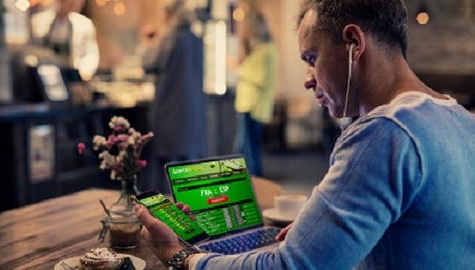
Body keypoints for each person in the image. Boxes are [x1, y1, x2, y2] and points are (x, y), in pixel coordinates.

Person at [134, 0, 475, 269]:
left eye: (312, 58)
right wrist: (322, 229)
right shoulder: (459, 118)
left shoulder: (386, 132)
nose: (307, 78)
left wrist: (180, 256)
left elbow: (292, 266)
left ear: (354, 42)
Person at [139, 0, 207, 193]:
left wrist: (147, 42)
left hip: (171, 113)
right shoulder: (196, 39)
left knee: (169, 171)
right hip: (192, 115)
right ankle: (192, 212)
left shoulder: (170, 39)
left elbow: (148, 63)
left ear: (169, 15)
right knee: (190, 171)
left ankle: (170, 216)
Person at [230, 10, 277, 177]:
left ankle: (254, 183)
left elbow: (258, 77)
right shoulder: (261, 48)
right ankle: (253, 182)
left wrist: (238, 68)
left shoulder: (265, 49)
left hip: (253, 106)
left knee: (247, 149)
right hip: (249, 105)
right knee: (247, 148)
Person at [30, 0, 99, 81]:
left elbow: (91, 54)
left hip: (73, 78)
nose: (74, 4)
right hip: (46, 78)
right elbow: (31, 52)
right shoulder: (38, 21)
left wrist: (85, 71)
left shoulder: (84, 24)